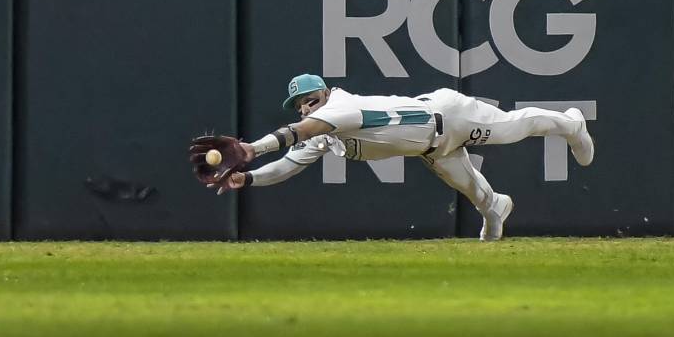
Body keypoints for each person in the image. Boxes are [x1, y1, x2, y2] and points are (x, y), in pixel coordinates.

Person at [211, 74, 594, 241]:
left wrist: (252, 149)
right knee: (477, 196)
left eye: (311, 100)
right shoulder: (324, 129)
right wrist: (250, 178)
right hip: (429, 148)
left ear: (326, 94)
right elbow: (290, 164)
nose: (305, 109)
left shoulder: (344, 109)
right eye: (299, 105)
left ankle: (571, 124)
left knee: (513, 128)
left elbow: (303, 132)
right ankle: (497, 211)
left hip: (450, 116)